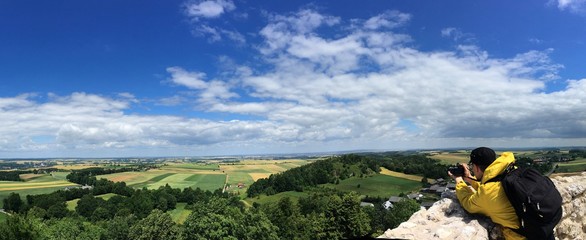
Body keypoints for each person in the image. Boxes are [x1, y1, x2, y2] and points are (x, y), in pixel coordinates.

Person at [447, 147, 524, 240]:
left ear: (476, 167)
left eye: (472, 166)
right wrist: (470, 178)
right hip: (541, 229)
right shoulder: (510, 170)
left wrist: (459, 180)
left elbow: (468, 203)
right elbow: (493, 188)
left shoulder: (488, 193)